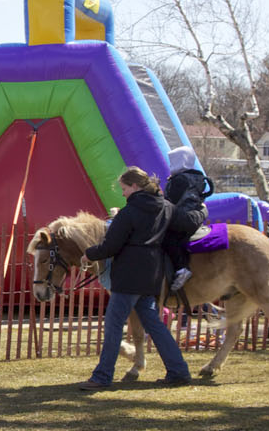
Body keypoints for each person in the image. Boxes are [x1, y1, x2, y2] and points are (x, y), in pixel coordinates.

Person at [76, 167, 193, 392]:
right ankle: (179, 371)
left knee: (113, 326)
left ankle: (102, 376)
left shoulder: (129, 213)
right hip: (152, 273)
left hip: (128, 276)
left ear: (136, 186)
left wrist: (88, 254)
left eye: (125, 188)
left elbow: (111, 246)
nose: (123, 193)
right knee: (155, 326)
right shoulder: (166, 207)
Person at [160, 147, 210, 294]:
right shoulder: (197, 177)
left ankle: (181, 268)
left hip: (182, 216)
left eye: (173, 161)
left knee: (168, 237)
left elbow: (170, 201)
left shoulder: (180, 179)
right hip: (193, 214)